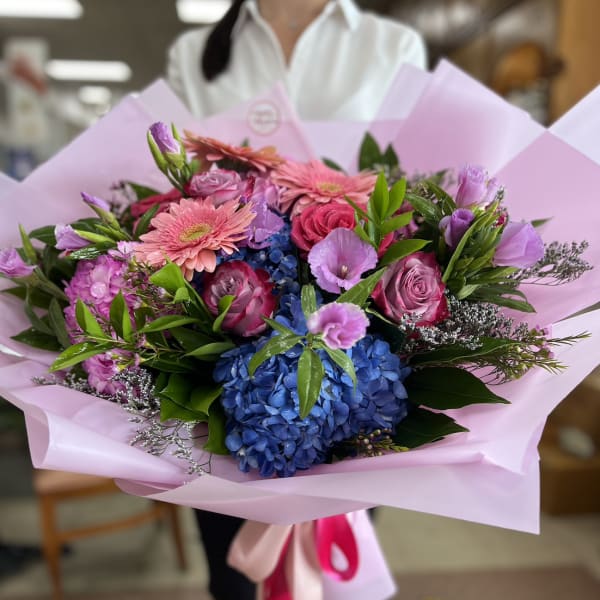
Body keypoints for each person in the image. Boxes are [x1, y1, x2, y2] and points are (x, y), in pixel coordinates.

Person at [166, 2, 427, 599]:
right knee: (232, 576)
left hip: (360, 352)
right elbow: (174, 190)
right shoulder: (194, 54)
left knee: (337, 567)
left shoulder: (391, 45)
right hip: (218, 353)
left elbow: (412, 196)